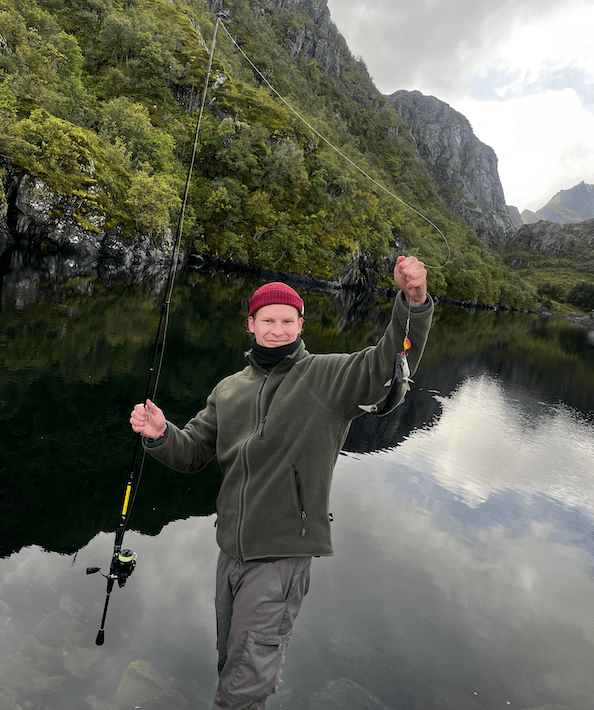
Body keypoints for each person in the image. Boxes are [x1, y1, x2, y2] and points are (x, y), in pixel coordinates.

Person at [130, 255, 433, 710]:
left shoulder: (328, 378)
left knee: (246, 683)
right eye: (267, 320)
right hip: (230, 550)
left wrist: (413, 301)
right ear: (250, 325)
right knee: (231, 662)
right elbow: (192, 451)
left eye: (287, 320)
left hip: (281, 556)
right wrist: (161, 435)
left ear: (300, 324)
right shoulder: (229, 389)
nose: (277, 329)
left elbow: (385, 362)